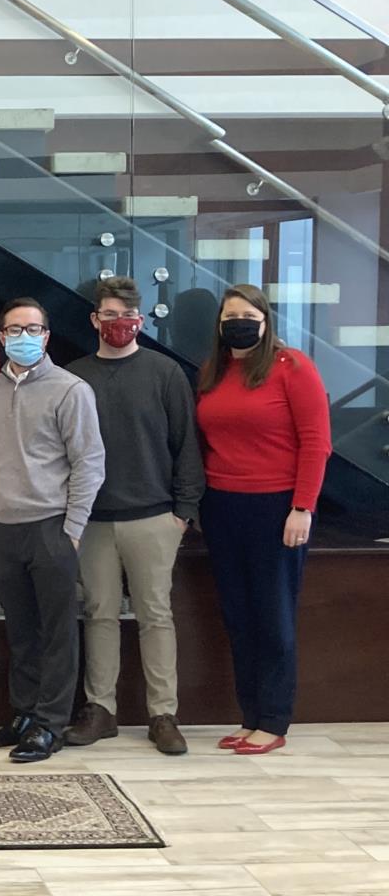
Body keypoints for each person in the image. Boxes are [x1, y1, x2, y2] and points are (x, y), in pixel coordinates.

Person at [65, 277, 204, 756]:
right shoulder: (74, 376)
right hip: (93, 520)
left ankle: (163, 714)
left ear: (140, 320)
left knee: (155, 616)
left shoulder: (166, 374)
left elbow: (187, 445)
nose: (118, 324)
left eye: (126, 316)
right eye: (109, 315)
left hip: (155, 518)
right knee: (98, 614)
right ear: (94, 320)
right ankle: (99, 709)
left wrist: (183, 513)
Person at [196, 283, 330, 756]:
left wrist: (303, 507)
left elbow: (316, 441)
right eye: (230, 315)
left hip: (276, 508)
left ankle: (273, 720)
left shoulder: (291, 367)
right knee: (238, 616)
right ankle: (249, 714)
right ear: (219, 325)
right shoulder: (214, 370)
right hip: (222, 506)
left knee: (273, 616)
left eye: (248, 314)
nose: (239, 322)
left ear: (265, 320)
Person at [0, 297, 105, 763]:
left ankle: (50, 724)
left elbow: (89, 463)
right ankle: (24, 713)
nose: (24, 337)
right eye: (14, 329)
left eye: (33, 329)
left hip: (51, 527)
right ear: (1, 336)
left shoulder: (71, 390)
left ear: (47, 337)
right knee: (21, 630)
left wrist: (71, 529)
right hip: (0, 527)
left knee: (57, 632)